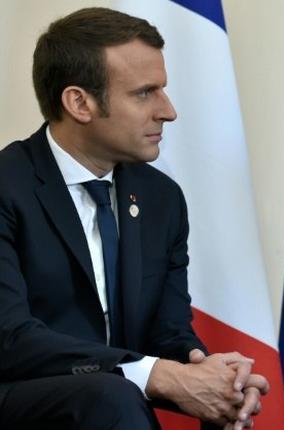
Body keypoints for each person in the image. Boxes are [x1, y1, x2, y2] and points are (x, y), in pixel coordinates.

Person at [0, 7, 268, 429]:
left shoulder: (162, 199)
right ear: (79, 102)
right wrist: (159, 374)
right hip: (21, 401)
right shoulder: (6, 186)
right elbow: (10, 340)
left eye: (163, 90)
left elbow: (166, 333)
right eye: (145, 93)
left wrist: (212, 376)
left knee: (222, 409)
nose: (168, 111)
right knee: (110, 394)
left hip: (111, 405)